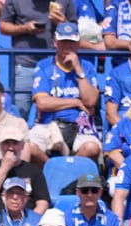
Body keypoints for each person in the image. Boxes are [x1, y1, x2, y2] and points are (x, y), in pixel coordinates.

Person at [29, 23, 101, 161]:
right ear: (55, 42)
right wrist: (76, 102)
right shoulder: (44, 66)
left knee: (91, 148)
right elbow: (42, 103)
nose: (67, 47)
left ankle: (67, 170)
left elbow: (91, 101)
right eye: (63, 42)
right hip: (48, 124)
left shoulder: (87, 67)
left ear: (78, 43)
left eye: (71, 43)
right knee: (29, 147)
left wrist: (78, 68)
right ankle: (50, 169)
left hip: (80, 126)